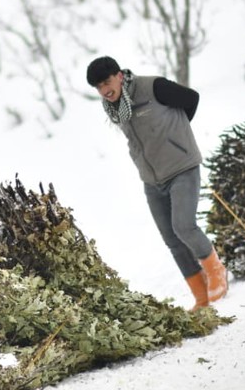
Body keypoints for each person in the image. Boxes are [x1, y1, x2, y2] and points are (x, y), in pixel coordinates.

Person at [85, 56, 228, 310]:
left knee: (184, 226)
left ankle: (217, 273)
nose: (104, 90)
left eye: (107, 82)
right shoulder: (116, 107)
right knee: (171, 239)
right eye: (98, 87)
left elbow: (191, 99)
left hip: (182, 167)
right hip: (152, 179)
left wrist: (177, 135)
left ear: (119, 75)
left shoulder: (153, 87)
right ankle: (200, 294)